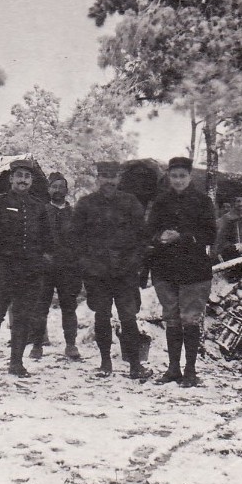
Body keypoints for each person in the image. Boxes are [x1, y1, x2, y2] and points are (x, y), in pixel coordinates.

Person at [70, 161, 153, 380]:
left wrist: (134, 263)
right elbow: (75, 239)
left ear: (119, 179)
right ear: (97, 179)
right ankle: (105, 362)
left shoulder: (131, 202)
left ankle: (135, 365)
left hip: (125, 272)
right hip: (98, 273)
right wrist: (87, 265)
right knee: (102, 316)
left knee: (128, 317)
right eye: (104, 176)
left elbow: (142, 237)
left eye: (113, 176)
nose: (109, 181)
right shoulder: (86, 204)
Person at [0, 159, 53, 378]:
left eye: (27, 177)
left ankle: (16, 363)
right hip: (2, 269)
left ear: (31, 180)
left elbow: (47, 240)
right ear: (11, 178)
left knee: (23, 317)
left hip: (28, 272)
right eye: (19, 175)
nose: (23, 180)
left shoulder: (38, 206)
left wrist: (42, 261)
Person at [147, 156, 217, 387]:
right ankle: (173, 368)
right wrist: (159, 237)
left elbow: (210, 235)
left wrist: (182, 236)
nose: (178, 180)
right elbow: (149, 232)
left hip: (193, 270)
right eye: (174, 176)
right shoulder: (160, 202)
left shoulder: (203, 202)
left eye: (182, 176)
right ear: (168, 176)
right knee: (171, 319)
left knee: (190, 319)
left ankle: (190, 371)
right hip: (165, 269)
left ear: (190, 176)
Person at [29, 172, 83, 361]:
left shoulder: (74, 213)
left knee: (69, 307)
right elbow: (34, 238)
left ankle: (71, 345)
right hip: (45, 267)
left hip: (67, 268)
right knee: (40, 307)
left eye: (61, 187)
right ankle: (37, 345)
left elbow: (80, 241)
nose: (58, 190)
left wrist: (75, 262)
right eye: (54, 187)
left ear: (67, 190)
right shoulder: (41, 212)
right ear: (48, 189)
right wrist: (42, 256)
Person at [214, 194, 242, 262]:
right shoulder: (227, 218)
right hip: (232, 254)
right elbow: (220, 238)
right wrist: (235, 247)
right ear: (234, 203)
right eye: (238, 201)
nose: (241, 204)